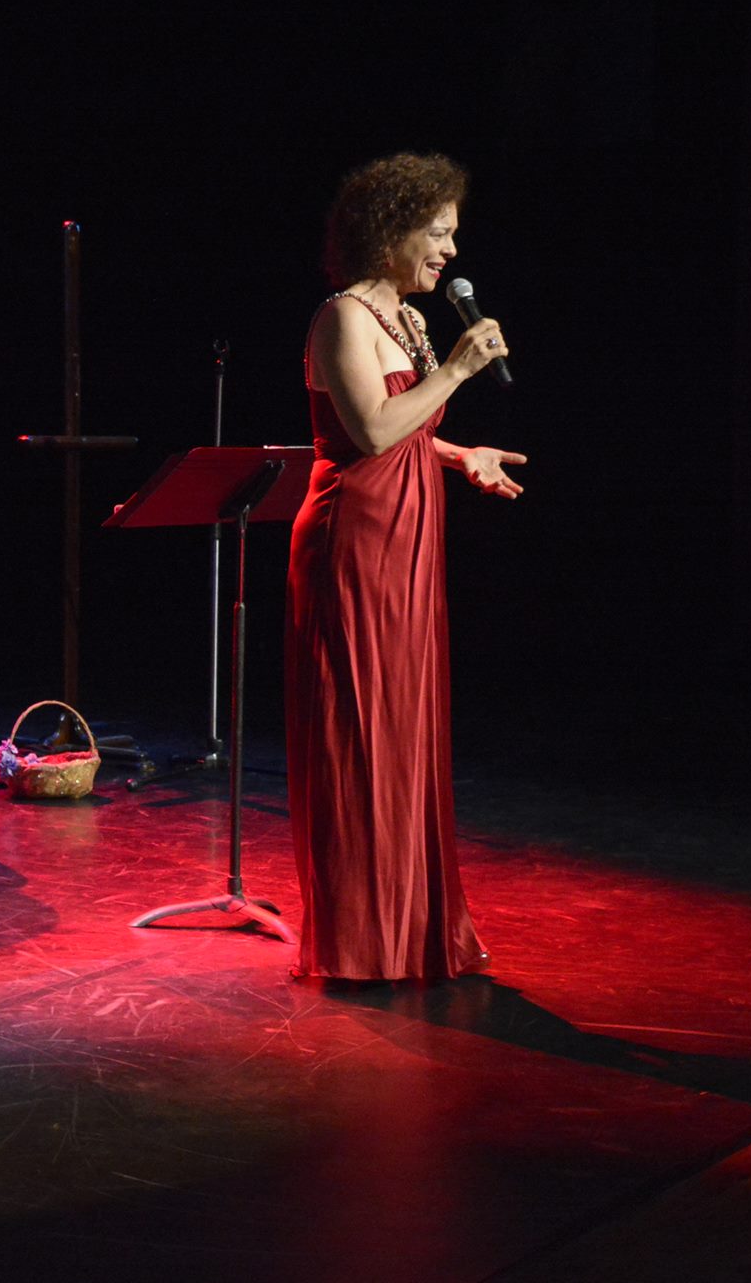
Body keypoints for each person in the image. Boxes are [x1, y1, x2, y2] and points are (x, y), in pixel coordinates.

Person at [285, 154, 525, 982]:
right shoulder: (342, 318)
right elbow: (373, 431)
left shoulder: (408, 319)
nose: (450, 252)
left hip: (410, 534)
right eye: (438, 233)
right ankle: (361, 943)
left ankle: (412, 933)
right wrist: (456, 370)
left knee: (403, 728)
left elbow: (409, 428)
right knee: (359, 730)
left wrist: (460, 455)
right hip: (355, 540)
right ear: (389, 233)